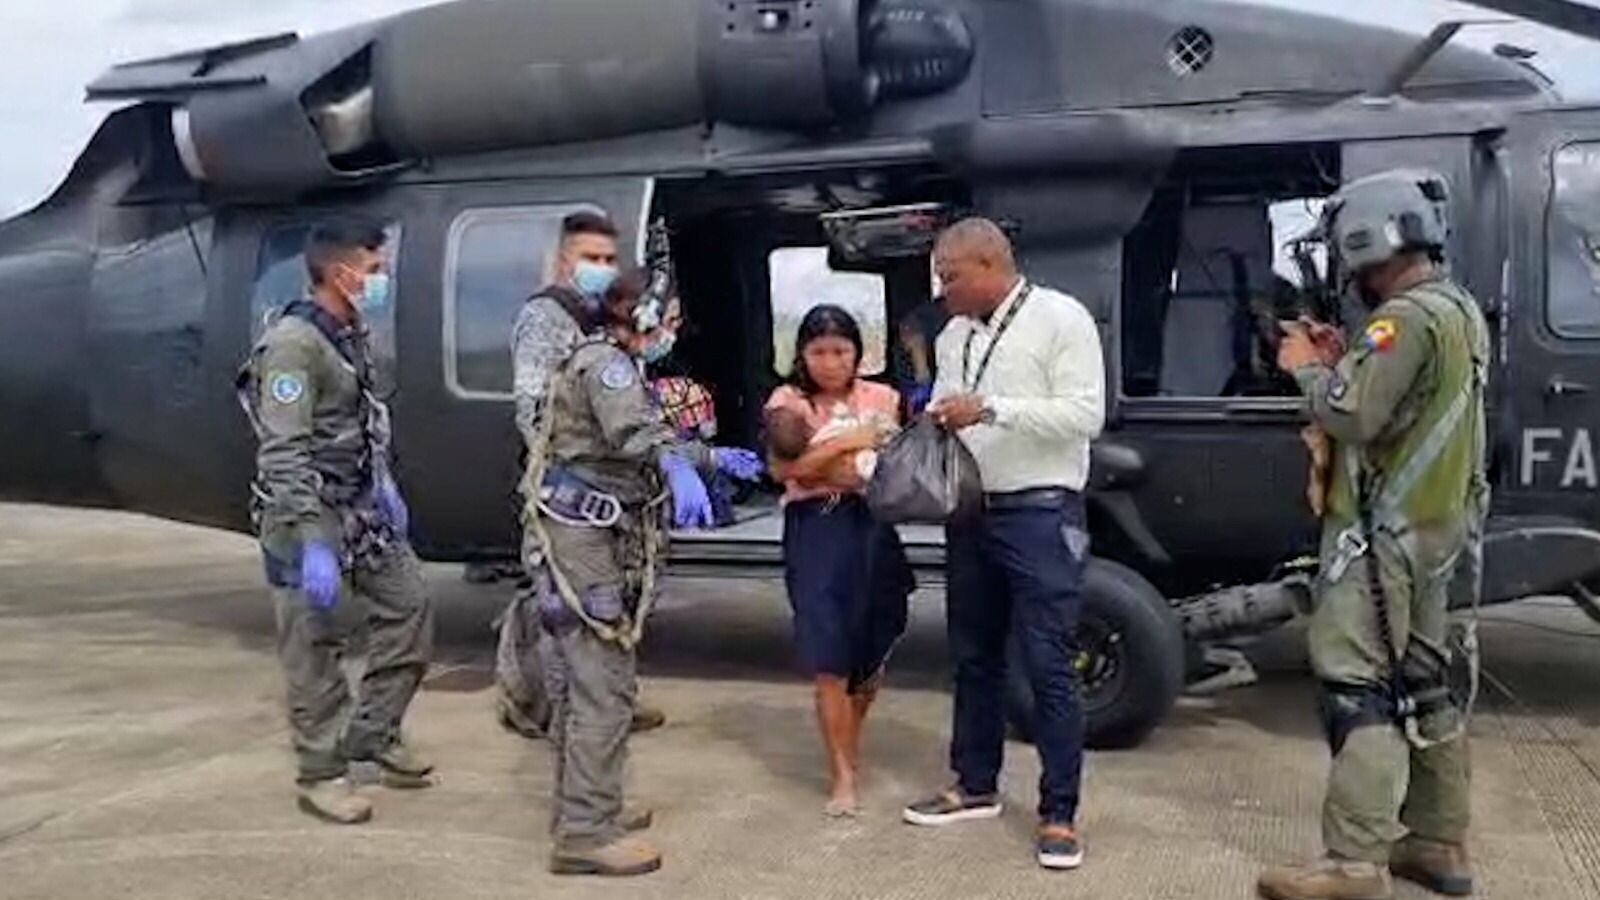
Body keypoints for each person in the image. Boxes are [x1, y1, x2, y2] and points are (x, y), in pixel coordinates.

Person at [1259, 171, 1489, 900]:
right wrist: (1344, 362)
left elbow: (1353, 416)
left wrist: (1307, 372)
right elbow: (1397, 404)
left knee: (1357, 687)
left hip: (1381, 539)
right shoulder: (1455, 309)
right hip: (1433, 532)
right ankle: (1438, 843)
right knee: (1426, 683)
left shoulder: (1403, 321)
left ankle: (1353, 863)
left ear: (1369, 239)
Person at [528, 267, 764, 876]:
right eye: (671, 318)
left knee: (588, 681)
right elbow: (634, 433)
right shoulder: (607, 366)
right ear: (643, 316)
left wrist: (704, 457)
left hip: (586, 534)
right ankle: (585, 831)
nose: (675, 330)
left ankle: (587, 806)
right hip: (582, 541)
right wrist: (690, 462)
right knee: (601, 685)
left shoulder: (609, 362)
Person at [902, 218, 1105, 871]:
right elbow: (947, 404)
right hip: (969, 512)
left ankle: (1059, 813)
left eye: (951, 276)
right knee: (973, 656)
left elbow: (1086, 415)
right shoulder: (954, 335)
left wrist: (992, 408)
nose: (942, 290)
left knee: (1048, 663)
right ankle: (975, 784)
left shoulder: (1060, 318)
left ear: (989, 265)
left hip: (1039, 512)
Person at [236, 220, 435, 824]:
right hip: (304, 513)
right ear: (338, 272)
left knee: (410, 606)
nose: (382, 279)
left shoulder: (349, 333)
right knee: (312, 645)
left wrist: (384, 489)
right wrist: (310, 541)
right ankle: (321, 773)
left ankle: (372, 734)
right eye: (373, 269)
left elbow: (362, 421)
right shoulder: (293, 347)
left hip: (360, 506)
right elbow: (283, 452)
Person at [496, 210, 668, 741]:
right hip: (570, 496)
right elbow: (534, 413)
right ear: (562, 260)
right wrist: (568, 481)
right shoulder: (545, 319)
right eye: (590, 257)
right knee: (567, 618)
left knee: (612, 604)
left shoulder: (598, 319)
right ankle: (567, 724)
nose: (601, 267)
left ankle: (611, 702)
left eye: (609, 259)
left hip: (609, 494)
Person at [763, 305, 914, 818]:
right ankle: (842, 775)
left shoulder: (883, 398)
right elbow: (784, 471)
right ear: (802, 355)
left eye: (840, 351)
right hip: (816, 530)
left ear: (858, 353)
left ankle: (850, 741)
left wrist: (822, 464)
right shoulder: (788, 402)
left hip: (872, 526)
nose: (830, 363)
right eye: (819, 352)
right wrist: (848, 443)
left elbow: (889, 466)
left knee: (874, 643)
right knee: (829, 654)